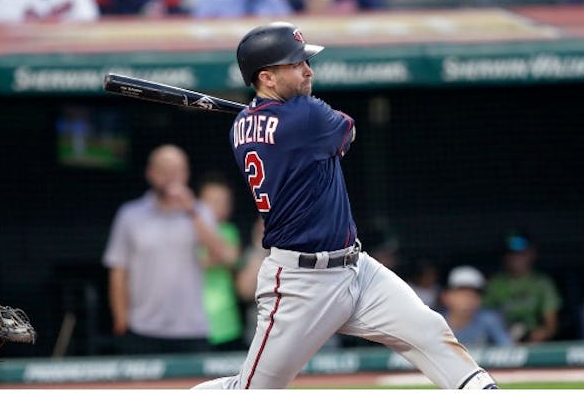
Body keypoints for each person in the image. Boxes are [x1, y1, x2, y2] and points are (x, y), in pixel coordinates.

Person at [195, 22, 496, 389]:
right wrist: (290, 118)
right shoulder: (306, 114)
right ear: (267, 78)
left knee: (430, 331)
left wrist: (275, 117)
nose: (308, 70)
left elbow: (284, 133)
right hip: (300, 284)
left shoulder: (241, 126)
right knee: (253, 389)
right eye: (295, 64)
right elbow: (347, 132)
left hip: (358, 269)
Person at [103, 144, 232, 354]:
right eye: (165, 170)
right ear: (151, 173)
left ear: (186, 174)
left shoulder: (199, 212)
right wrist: (121, 319)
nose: (171, 177)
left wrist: (191, 212)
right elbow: (118, 271)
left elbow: (223, 256)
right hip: (142, 328)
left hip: (192, 328)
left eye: (178, 170)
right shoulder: (130, 215)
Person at [484, 232, 562, 343]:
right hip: (501, 340)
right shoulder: (495, 284)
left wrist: (538, 335)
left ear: (532, 254)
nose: (516, 258)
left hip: (534, 341)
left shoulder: (542, 283)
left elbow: (551, 326)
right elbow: (482, 318)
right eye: (511, 254)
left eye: (521, 254)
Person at [198, 178, 245, 351]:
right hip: (194, 320)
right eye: (213, 201)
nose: (221, 207)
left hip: (226, 320)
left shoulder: (229, 231)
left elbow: (230, 258)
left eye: (225, 202)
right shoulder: (186, 229)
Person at [438, 266, 513, 348]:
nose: (467, 299)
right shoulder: (435, 322)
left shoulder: (489, 320)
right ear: (446, 296)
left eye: (473, 294)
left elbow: (508, 348)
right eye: (461, 293)